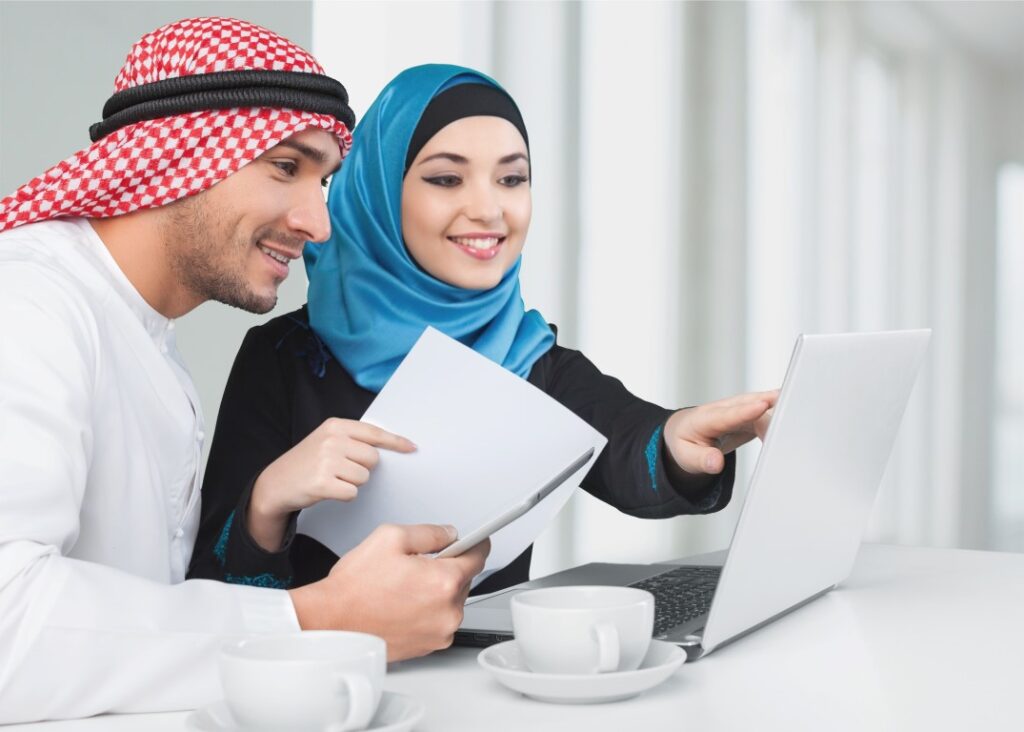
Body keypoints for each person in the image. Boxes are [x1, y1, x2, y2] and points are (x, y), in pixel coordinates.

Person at [0, 22, 486, 724]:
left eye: (324, 181)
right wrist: (313, 619)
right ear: (176, 157)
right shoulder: (31, 307)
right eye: (286, 167)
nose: (318, 222)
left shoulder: (147, 344)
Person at [189, 64, 775, 595]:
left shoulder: (527, 355)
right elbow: (214, 591)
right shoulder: (285, 357)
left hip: (487, 693)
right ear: (378, 193)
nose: (490, 210)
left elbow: (628, 445)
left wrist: (681, 440)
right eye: (447, 179)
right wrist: (267, 502)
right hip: (333, 696)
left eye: (511, 179)